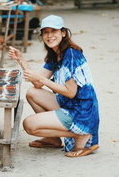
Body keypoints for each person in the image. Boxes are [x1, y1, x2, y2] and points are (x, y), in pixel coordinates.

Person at [8, 15, 99, 158]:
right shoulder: (55, 54)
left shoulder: (71, 54)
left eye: (54, 31)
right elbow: (38, 83)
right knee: (32, 92)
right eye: (45, 32)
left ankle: (79, 134)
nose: (49, 35)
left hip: (81, 111)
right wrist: (21, 59)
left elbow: (70, 92)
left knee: (29, 125)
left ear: (63, 33)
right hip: (69, 104)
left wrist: (42, 80)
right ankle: (53, 139)